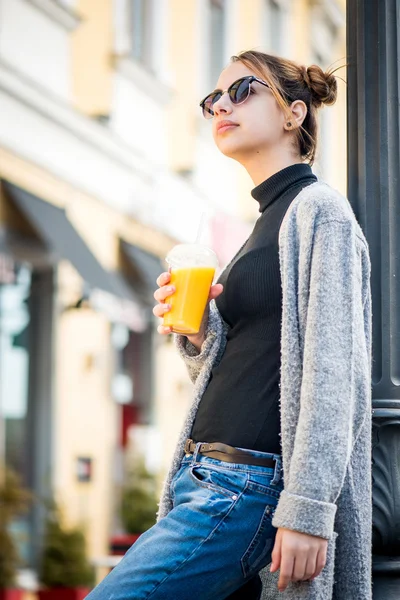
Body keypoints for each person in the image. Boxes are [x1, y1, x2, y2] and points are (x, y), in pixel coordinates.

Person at [86, 50, 372, 600]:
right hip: (206, 479)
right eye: (211, 98)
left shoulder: (320, 212)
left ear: (293, 114)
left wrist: (309, 510)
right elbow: (257, 368)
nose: (220, 104)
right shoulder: (263, 223)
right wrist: (198, 335)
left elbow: (335, 370)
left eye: (241, 91)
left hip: (246, 488)